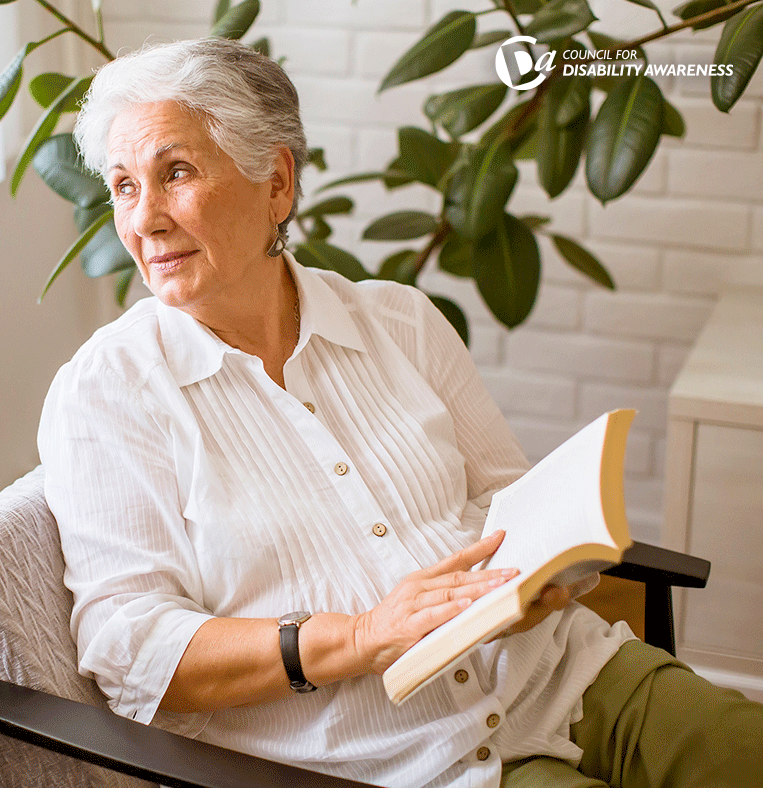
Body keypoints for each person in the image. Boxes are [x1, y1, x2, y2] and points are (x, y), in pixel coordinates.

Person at [38, 37, 762, 788]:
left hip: (563, 670)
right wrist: (358, 637)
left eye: (175, 173)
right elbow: (130, 649)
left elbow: (505, 503)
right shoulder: (107, 391)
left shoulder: (402, 322)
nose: (144, 219)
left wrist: (540, 575)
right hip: (401, 761)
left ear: (276, 183)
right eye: (124, 186)